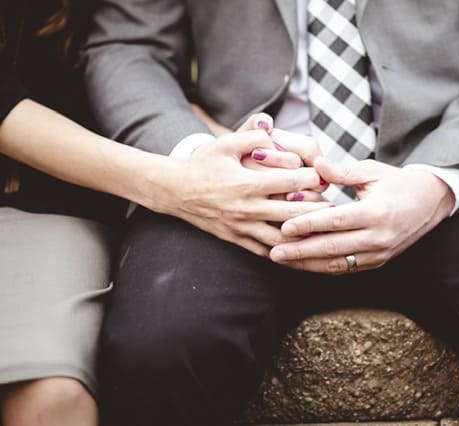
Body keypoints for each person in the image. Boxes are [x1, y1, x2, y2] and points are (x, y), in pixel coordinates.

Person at [84, 1, 459, 425]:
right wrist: (197, 163)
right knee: (157, 350)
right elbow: (128, 47)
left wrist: (438, 178)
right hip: (237, 178)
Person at [0, 1, 324, 425]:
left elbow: (132, 51)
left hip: (70, 188)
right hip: (64, 179)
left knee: (53, 401)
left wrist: (231, 147)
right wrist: (184, 175)